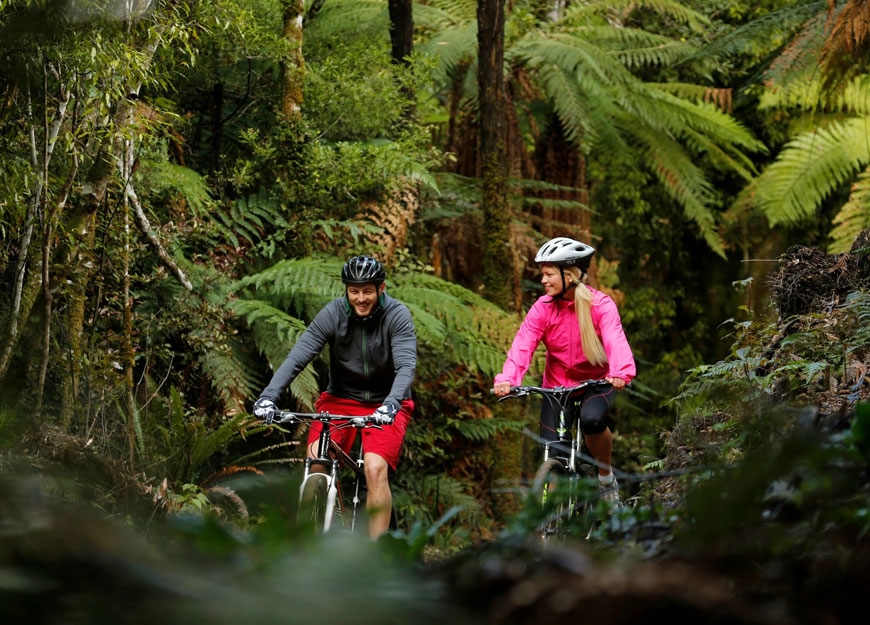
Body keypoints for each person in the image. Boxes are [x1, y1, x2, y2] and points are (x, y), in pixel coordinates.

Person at [253, 255, 416, 538]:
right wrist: (268, 396)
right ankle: (310, 540)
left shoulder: (397, 315)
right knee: (316, 460)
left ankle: (376, 555)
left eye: (367, 290)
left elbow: (406, 366)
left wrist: (392, 403)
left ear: (381, 288)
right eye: (354, 290)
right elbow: (297, 357)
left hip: (387, 401)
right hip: (340, 398)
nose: (361, 298)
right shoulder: (333, 314)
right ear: (346, 290)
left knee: (375, 468)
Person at [492, 237, 635, 504]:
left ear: (569, 275)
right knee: (554, 451)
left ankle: (605, 478)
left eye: (548, 274)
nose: (543, 280)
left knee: (593, 421)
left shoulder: (600, 306)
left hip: (596, 382)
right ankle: (551, 524)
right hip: (557, 386)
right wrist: (508, 379)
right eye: (542, 274)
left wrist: (621, 371)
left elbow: (615, 339)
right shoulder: (543, 309)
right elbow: (523, 344)